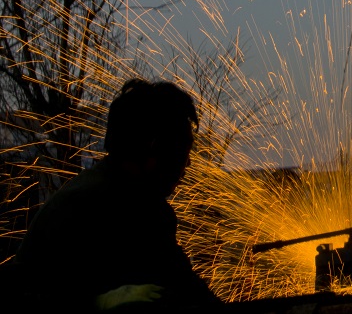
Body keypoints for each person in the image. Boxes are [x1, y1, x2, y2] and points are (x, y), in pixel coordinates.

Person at [9, 79, 222, 312]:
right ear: (155, 148)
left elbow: (186, 286)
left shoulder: (134, 202)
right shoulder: (93, 208)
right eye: (182, 153)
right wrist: (95, 303)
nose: (187, 164)